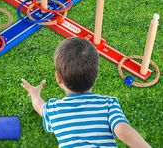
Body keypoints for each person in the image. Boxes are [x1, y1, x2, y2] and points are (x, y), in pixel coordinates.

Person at [21, 37, 151, 148]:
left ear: (58, 78)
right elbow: (122, 129)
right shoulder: (108, 104)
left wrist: (34, 93)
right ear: (96, 75)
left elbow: (40, 106)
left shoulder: (54, 110)